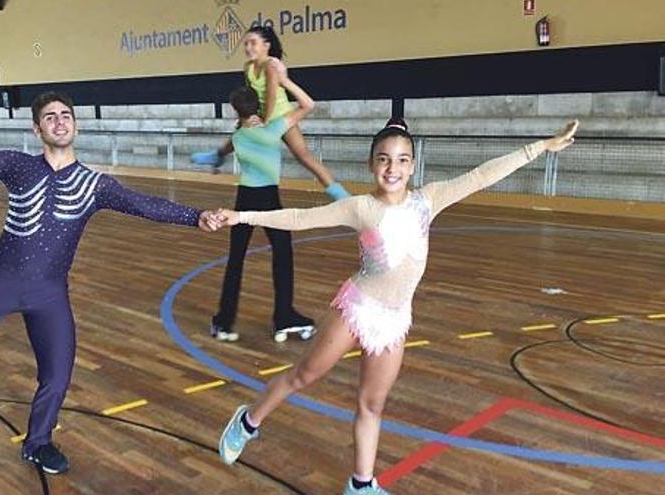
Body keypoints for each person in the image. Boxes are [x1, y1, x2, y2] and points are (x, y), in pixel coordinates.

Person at [0, 92, 221, 475]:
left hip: (49, 292)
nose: (60, 121)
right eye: (50, 117)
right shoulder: (19, 168)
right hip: (1, 279)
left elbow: (144, 204)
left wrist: (195, 216)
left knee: (58, 372)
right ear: (37, 129)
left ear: (75, 126)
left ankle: (38, 443)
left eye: (66, 115)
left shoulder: (95, 184)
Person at [214, 118, 580, 494]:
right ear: (372, 165)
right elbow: (300, 218)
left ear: (413, 165)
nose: (393, 168)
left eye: (402, 160)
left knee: (371, 405)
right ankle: (247, 422)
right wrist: (241, 216)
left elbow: (482, 175)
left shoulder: (429, 200)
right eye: (384, 159)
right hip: (356, 309)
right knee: (303, 376)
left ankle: (361, 485)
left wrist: (541, 146)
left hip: (394, 319)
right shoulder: (361, 208)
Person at [211, 59, 327, 343]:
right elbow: (308, 104)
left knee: (236, 260)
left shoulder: (238, 137)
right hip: (269, 198)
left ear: (236, 111)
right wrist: (284, 81)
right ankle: (284, 317)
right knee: (283, 255)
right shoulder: (273, 128)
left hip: (244, 200)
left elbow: (224, 148)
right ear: (258, 106)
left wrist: (216, 158)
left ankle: (224, 322)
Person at [192, 25, 350, 201]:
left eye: (253, 43)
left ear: (266, 46)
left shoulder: (271, 65)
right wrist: (245, 119)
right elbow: (251, 93)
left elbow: (271, 95)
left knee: (304, 156)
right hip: (260, 114)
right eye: (246, 44)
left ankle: (339, 193)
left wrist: (265, 121)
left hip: (280, 115)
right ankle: (217, 156)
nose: (248, 47)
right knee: (236, 138)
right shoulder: (248, 67)